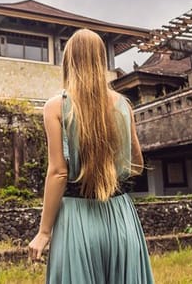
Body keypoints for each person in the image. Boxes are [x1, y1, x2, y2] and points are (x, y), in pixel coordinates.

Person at [28, 28, 154, 283]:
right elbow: (137, 164)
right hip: (120, 216)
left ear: (68, 60)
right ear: (101, 61)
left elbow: (59, 172)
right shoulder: (123, 105)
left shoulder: (56, 107)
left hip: (77, 218)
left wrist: (44, 232)